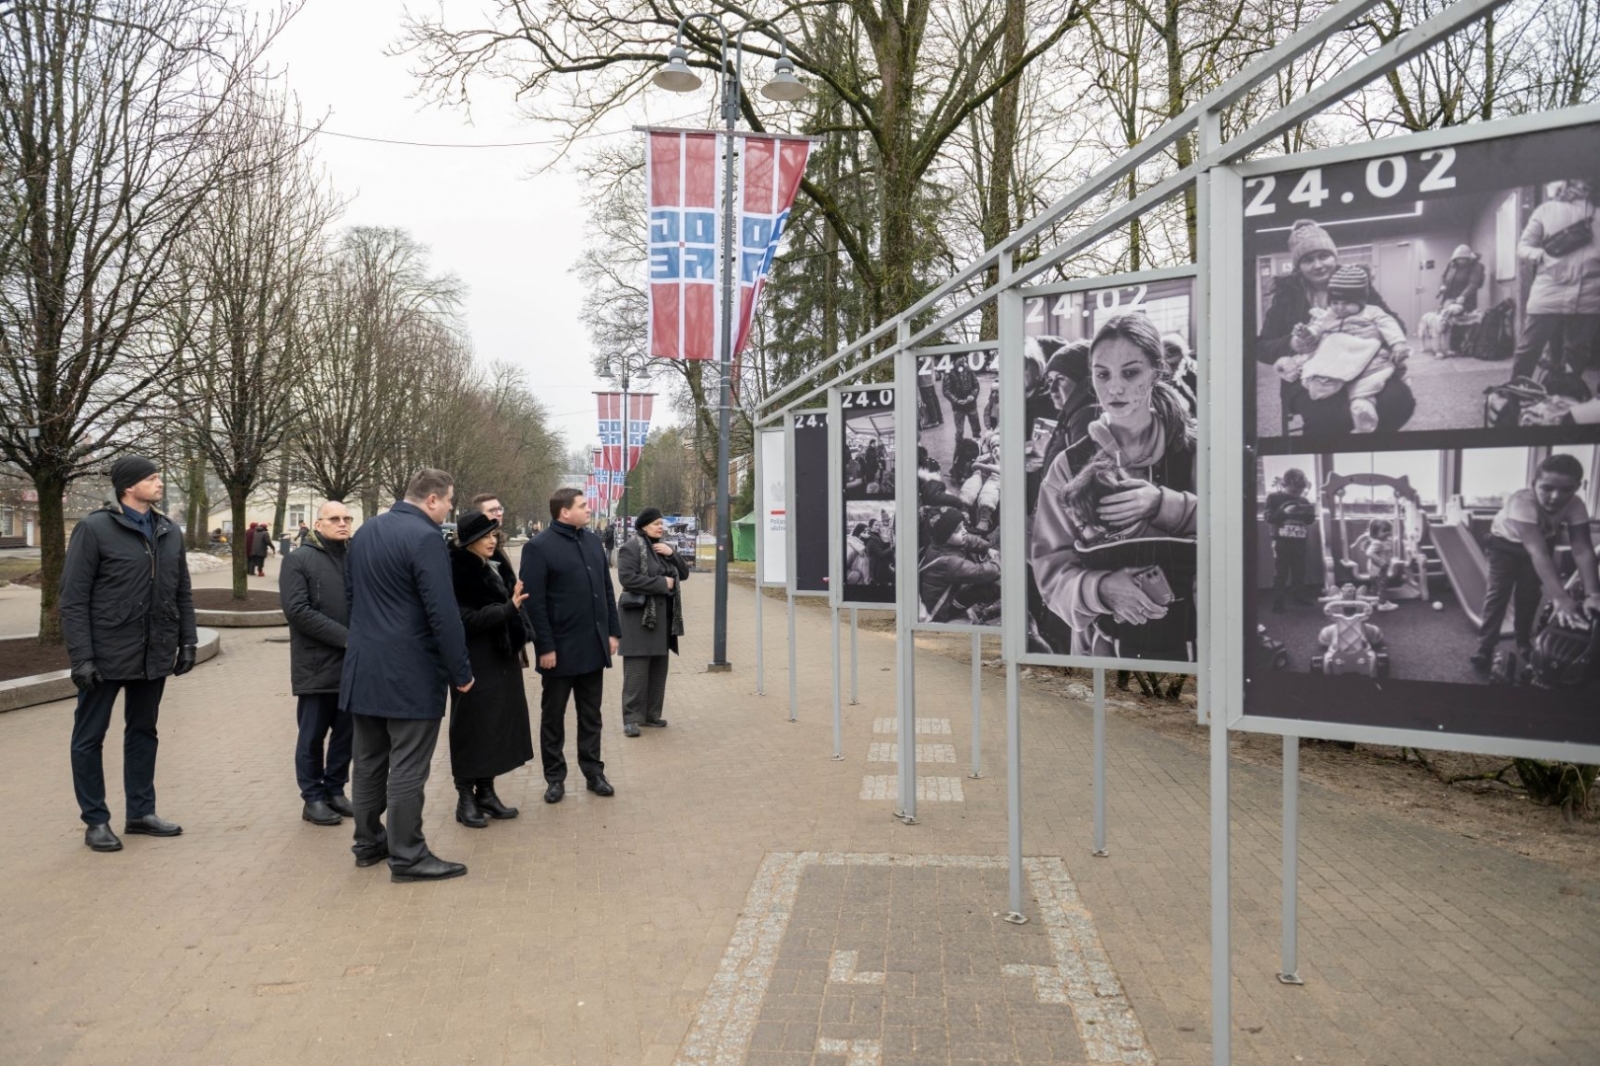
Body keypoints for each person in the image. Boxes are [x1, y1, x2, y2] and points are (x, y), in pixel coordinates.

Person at [1031, 314, 1198, 658]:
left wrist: (1163, 505)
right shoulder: (1067, 465)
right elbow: (1050, 570)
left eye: (1131, 372)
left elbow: (1236, 530)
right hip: (1107, 655)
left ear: (1156, 370)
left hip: (1198, 650)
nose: (1115, 387)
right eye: (1102, 374)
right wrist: (1101, 589)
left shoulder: (1197, 449)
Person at [340, 468, 474, 883]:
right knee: (408, 766)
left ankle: (368, 843)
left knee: (367, 762)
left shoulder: (364, 533)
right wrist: (461, 671)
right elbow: (443, 612)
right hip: (411, 672)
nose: (450, 508)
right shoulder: (426, 538)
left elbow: (351, 597)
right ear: (432, 499)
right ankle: (408, 855)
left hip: (363, 668)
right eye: (449, 500)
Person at [60, 456, 197, 853]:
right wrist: (81, 657)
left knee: (143, 733)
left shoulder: (169, 530)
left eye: (158, 475)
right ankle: (96, 821)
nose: (159, 482)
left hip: (153, 653)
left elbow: (181, 591)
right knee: (89, 737)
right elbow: (72, 599)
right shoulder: (94, 529)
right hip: (105, 655)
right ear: (127, 486)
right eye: (151, 478)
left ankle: (140, 813)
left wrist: (186, 641)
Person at [1256, 219, 1415, 435]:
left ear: (1334, 256)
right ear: (1298, 266)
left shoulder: (1355, 283)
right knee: (1330, 418)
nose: (1318, 265)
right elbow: (1262, 346)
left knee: (1399, 401)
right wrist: (1293, 343)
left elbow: (1396, 325)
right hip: (1310, 373)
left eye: (1324, 256)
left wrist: (1375, 331)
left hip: (1363, 364)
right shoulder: (1287, 295)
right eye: (1308, 260)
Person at [521, 487, 620, 803]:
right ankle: (555, 778)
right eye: (583, 505)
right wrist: (545, 647)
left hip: (592, 646)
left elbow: (606, 590)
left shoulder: (591, 541)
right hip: (559, 652)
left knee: (591, 716)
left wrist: (612, 632)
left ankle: (594, 773)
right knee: (553, 718)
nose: (588, 509)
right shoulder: (539, 548)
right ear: (564, 511)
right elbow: (533, 604)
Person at [1470, 454, 1600, 671]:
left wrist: (1593, 594)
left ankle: (1523, 642)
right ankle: (1485, 647)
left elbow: (1583, 548)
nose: (1555, 497)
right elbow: (1536, 551)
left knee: (1529, 595)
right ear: (1533, 485)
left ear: (1577, 487)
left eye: (1566, 489)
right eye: (1547, 488)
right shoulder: (1521, 501)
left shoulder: (1576, 505)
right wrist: (1560, 597)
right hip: (1505, 546)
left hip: (1542, 542)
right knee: (1498, 594)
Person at [447, 510, 534, 827]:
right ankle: (465, 798)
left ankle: (486, 791)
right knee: (471, 728)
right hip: (473, 659)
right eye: (485, 536)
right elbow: (463, 620)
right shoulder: (457, 570)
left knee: (495, 727)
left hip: (500, 657)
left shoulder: (496, 564)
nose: (492, 540)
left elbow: (516, 603)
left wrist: (518, 623)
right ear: (469, 541)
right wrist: (508, 609)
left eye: (494, 534)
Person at [278, 500, 355, 826]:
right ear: (318, 524)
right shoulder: (298, 561)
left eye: (347, 518)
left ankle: (335, 790)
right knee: (311, 734)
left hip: (353, 665)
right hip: (315, 664)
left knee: (346, 733)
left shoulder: (355, 559)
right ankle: (312, 798)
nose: (342, 523)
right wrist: (347, 637)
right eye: (334, 518)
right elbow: (297, 611)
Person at [1274, 265, 1410, 433]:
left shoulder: (1371, 312)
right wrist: (1306, 334)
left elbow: (1389, 323)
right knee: (1320, 372)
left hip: (1365, 356)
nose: (1339, 308)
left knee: (1371, 380)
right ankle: (1321, 384)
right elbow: (1318, 326)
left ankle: (1362, 403)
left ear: (1360, 301)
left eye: (1346, 303)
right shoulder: (1329, 313)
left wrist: (1397, 343)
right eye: (1335, 302)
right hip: (1336, 358)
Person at [1511, 179, 1600, 380]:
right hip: (1582, 293)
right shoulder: (1548, 210)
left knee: (1530, 348)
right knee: (1577, 351)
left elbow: (1523, 248)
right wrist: (1543, 255)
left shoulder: (1546, 210)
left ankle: (1515, 394)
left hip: (1558, 291)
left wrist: (1541, 257)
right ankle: (1564, 393)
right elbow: (1524, 247)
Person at [616, 508, 689, 738]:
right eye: (656, 523)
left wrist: (673, 553)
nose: (661, 527)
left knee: (658, 670)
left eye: (661, 523)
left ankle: (651, 714)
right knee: (636, 671)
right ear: (644, 525)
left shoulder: (662, 549)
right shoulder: (632, 547)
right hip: (639, 619)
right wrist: (662, 584)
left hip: (662, 620)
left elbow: (684, 573)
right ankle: (631, 718)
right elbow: (627, 578)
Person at [919, 507, 1000, 624]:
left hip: (941, 596)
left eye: (963, 526)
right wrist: (999, 561)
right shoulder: (948, 562)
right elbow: (980, 572)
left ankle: (980, 607)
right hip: (941, 611)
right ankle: (977, 611)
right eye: (958, 530)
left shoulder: (940, 544)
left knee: (982, 584)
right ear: (944, 536)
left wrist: (986, 548)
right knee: (987, 588)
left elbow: (968, 540)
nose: (964, 531)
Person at [1264, 468, 1317, 612]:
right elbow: (1269, 518)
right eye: (1294, 492)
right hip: (1281, 541)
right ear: (1285, 484)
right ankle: (1278, 602)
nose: (1297, 495)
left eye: (1299, 491)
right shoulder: (1274, 498)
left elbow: (1309, 521)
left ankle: (1298, 597)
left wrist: (1309, 513)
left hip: (1299, 541)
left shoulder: (1303, 500)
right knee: (1280, 573)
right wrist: (1284, 512)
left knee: (1299, 572)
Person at [1419, 244, 1485, 359]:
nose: (1461, 261)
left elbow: (1473, 283)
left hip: (1465, 299)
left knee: (1457, 322)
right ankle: (1442, 348)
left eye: (1463, 259)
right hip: (1448, 298)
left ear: (1469, 258)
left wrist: (1463, 296)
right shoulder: (1451, 265)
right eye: (1458, 259)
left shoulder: (1477, 266)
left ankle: (1457, 347)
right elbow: (1443, 277)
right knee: (1443, 321)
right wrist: (1442, 286)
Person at [1346, 518, 1401, 612]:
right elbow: (1369, 553)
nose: (1388, 532)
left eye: (1389, 530)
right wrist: (1380, 561)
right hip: (1379, 568)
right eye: (1384, 530)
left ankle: (1375, 600)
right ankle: (1383, 604)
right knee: (1382, 585)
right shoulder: (1377, 543)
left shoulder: (1381, 541)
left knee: (1375, 585)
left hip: (1376, 568)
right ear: (1375, 533)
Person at [943, 358, 981, 441]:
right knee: (959, 432)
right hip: (958, 407)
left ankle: (978, 446)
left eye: (963, 357)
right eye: (960, 358)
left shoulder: (969, 370)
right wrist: (956, 400)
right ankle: (959, 449)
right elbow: (946, 390)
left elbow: (976, 386)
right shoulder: (949, 372)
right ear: (955, 359)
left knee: (976, 430)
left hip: (971, 405)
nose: (962, 360)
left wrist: (972, 396)